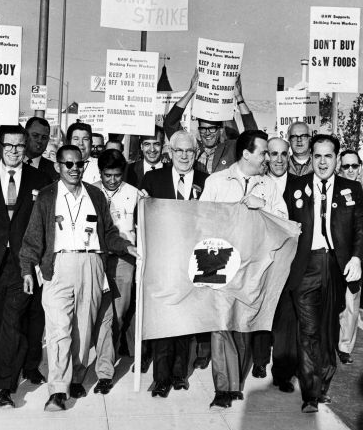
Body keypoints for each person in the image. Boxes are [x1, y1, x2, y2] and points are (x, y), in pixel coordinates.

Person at [19, 145, 137, 411]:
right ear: (58, 166)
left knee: (83, 330)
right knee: (59, 329)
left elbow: (108, 232)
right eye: (68, 164)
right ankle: (57, 389)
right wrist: (27, 268)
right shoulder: (47, 196)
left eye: (79, 164)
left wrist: (126, 246)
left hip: (92, 263)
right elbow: (34, 236)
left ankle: (77, 377)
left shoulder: (95, 194)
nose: (74, 169)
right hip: (58, 265)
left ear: (85, 166)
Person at [200, 129, 287, 409]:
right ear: (246, 153)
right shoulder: (216, 181)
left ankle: (236, 379)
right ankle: (224, 387)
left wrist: (263, 207)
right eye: (263, 152)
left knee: (243, 325)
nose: (267, 158)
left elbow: (284, 221)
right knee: (220, 324)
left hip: (254, 264)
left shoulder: (269, 186)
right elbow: (200, 219)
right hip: (219, 259)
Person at [284, 134, 363, 413]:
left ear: (336, 158)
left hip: (335, 266)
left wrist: (356, 257)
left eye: (328, 156)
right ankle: (311, 394)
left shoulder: (351, 189)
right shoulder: (295, 186)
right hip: (305, 266)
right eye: (317, 156)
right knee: (308, 331)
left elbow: (360, 228)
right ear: (311, 157)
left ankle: (324, 383)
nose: (322, 162)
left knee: (329, 331)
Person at [0, 125, 52, 407]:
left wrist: (37, 265)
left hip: (23, 263)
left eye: (20, 146)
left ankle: (4, 386)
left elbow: (44, 224)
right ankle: (2, 372)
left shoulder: (39, 179)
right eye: (9, 145)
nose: (14, 151)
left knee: (12, 321)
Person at [140, 131, 209, 397]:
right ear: (170, 152)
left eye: (189, 151)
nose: (183, 156)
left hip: (193, 261)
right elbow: (143, 216)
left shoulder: (206, 181)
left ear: (196, 152)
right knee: (163, 320)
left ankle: (181, 374)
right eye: (179, 151)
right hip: (162, 260)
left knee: (186, 321)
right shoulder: (153, 179)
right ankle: (161, 378)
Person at [92, 149, 139, 395]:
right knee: (103, 316)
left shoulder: (135, 195)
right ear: (100, 172)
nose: (112, 180)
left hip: (123, 259)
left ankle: (107, 355)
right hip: (97, 258)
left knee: (118, 314)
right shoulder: (89, 191)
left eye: (117, 175)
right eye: (107, 175)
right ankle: (104, 371)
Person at [164, 70, 258, 175]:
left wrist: (239, 98)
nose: (207, 133)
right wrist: (191, 91)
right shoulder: (192, 147)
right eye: (203, 129)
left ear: (220, 130)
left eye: (212, 128)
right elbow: (170, 123)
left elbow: (254, 136)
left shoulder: (231, 149)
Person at [336, 149, 363, 365]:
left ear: (360, 167)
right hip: (333, 256)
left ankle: (345, 347)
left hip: (355, 257)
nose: (350, 170)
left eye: (354, 166)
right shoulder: (332, 188)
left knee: (351, 304)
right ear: (339, 168)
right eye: (346, 166)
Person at [23, 116, 56, 385]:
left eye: (44, 137)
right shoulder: (7, 163)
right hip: (9, 250)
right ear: (25, 135)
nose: (40, 141)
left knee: (36, 313)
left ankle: (32, 366)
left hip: (38, 252)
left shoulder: (50, 171)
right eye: (35, 136)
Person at [267, 137, 298, 393]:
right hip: (263, 261)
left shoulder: (300, 186)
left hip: (290, 263)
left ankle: (283, 372)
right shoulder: (257, 185)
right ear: (266, 156)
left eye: (283, 154)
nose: (278, 159)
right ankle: (257, 361)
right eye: (273, 154)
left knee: (286, 320)